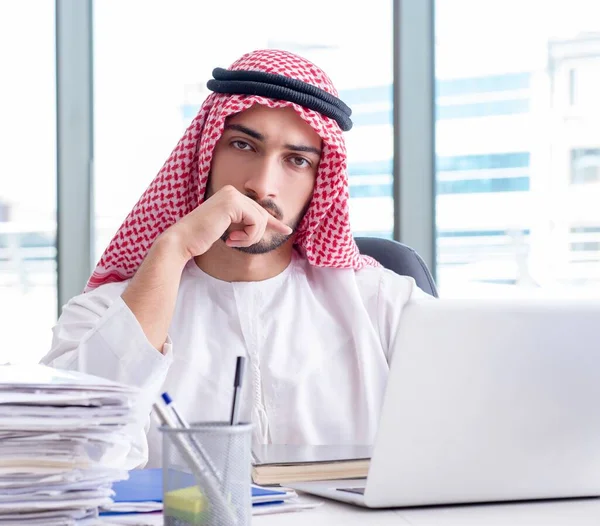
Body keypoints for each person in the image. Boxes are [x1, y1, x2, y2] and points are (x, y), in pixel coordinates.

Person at [41, 49, 429, 469]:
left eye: (297, 161)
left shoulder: (386, 306)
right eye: (243, 145)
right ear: (204, 155)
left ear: (320, 181)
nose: (262, 186)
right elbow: (65, 458)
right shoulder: (100, 314)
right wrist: (172, 249)